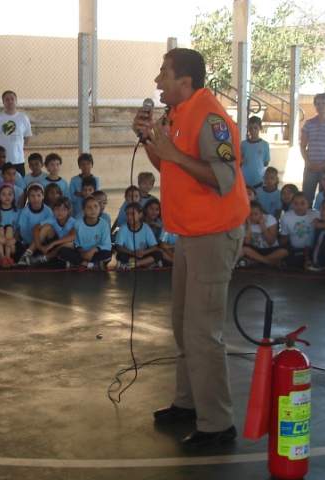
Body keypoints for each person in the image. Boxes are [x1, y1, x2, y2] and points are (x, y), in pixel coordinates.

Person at [132, 48, 249, 448]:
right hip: (189, 233)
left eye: (163, 74)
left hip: (213, 235)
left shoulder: (211, 118)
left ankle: (217, 423)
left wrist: (174, 154)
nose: (157, 81)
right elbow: (168, 165)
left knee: (203, 331)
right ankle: (187, 403)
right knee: (183, 323)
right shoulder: (177, 114)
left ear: (185, 81)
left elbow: (223, 178)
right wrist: (149, 140)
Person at [57, 196, 112, 270]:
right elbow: (75, 242)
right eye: (89, 207)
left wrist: (93, 250)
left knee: (108, 254)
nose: (93, 209)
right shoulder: (78, 224)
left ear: (99, 208)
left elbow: (107, 244)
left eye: (96, 206)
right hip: (81, 253)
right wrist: (82, 252)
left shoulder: (104, 224)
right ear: (83, 210)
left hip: (96, 252)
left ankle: (79, 263)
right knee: (63, 251)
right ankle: (89, 264)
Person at [0, 90, 32, 175]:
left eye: (12, 99)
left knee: (19, 182)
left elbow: (27, 137)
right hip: (1, 161)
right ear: (3, 102)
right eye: (7, 99)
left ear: (16, 101)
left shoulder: (23, 118)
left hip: (18, 160)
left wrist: (17, 146)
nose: (10, 101)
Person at [275, 193, 317, 269]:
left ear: (308, 204)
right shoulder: (286, 217)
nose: (299, 207)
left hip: (312, 250)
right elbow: (285, 237)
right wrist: (276, 247)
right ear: (292, 204)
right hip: (294, 249)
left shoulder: (316, 215)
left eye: (302, 203)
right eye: (295, 203)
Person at [114, 202, 160, 270]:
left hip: (142, 254)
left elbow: (154, 246)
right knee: (120, 255)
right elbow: (118, 247)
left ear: (140, 214)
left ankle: (136, 264)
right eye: (127, 214)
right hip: (130, 254)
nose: (129, 217)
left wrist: (144, 252)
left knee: (158, 254)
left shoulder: (146, 227)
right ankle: (145, 263)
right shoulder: (123, 228)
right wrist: (132, 252)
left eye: (132, 214)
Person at [241, 201, 284, 268]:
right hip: (255, 251)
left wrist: (262, 225)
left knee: (284, 251)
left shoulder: (269, 218)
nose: (253, 217)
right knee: (243, 249)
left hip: (271, 249)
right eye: (250, 214)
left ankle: (255, 262)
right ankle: (268, 262)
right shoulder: (244, 222)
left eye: (256, 214)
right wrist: (249, 226)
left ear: (261, 213)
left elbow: (271, 242)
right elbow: (247, 243)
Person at [241, 116, 270, 188]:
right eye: (250, 128)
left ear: (260, 128)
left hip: (259, 180)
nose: (253, 130)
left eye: (255, 128)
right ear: (248, 128)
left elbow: (266, 162)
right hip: (244, 179)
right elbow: (240, 160)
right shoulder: (243, 144)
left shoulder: (265, 144)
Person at [68, 153, 99, 218]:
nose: (86, 166)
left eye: (88, 164)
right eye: (83, 164)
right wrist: (83, 194)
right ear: (79, 166)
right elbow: (71, 197)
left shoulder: (96, 180)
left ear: (92, 165)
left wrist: (79, 193)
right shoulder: (74, 180)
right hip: (77, 212)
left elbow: (96, 195)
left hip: (91, 212)